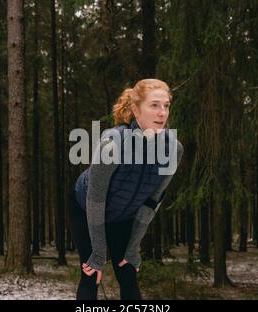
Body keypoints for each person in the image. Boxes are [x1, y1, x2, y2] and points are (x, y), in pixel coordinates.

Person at [68, 79, 184, 300]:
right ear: (135, 110)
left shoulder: (174, 150)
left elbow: (152, 202)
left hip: (124, 215)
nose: (162, 113)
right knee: (91, 272)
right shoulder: (112, 145)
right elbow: (95, 200)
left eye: (166, 106)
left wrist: (133, 248)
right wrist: (99, 253)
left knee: (128, 271)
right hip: (86, 208)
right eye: (154, 105)